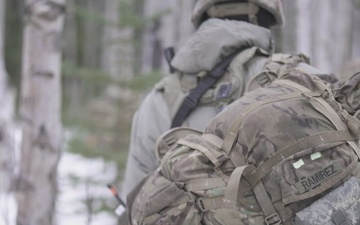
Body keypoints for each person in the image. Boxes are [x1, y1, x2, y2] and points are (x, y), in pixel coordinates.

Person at [121, 0, 334, 199]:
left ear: (203, 16)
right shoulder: (302, 79)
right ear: (266, 18)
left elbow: (136, 205)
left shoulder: (159, 100)